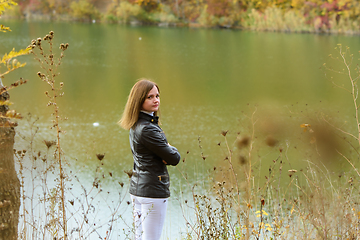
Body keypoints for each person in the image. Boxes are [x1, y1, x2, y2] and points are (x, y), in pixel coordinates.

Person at [119, 79, 181, 240]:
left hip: (139, 188)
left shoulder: (137, 124)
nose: (156, 100)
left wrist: (165, 151)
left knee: (140, 237)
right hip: (152, 190)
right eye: (150, 97)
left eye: (157, 96)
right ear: (139, 100)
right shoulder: (148, 129)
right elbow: (174, 158)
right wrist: (168, 148)